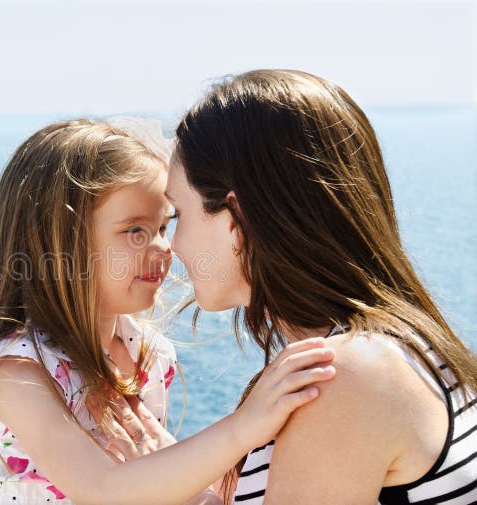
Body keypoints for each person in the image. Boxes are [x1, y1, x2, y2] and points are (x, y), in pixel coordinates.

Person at [0, 118, 338, 505]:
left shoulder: (148, 354)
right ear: (59, 247)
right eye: (135, 231)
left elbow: (148, 483)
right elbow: (101, 488)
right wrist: (244, 427)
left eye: (164, 227)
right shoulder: (18, 373)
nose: (164, 247)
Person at [159, 69, 477, 504]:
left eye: (178, 215)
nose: (172, 245)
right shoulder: (388, 353)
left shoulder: (346, 378)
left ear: (238, 221)